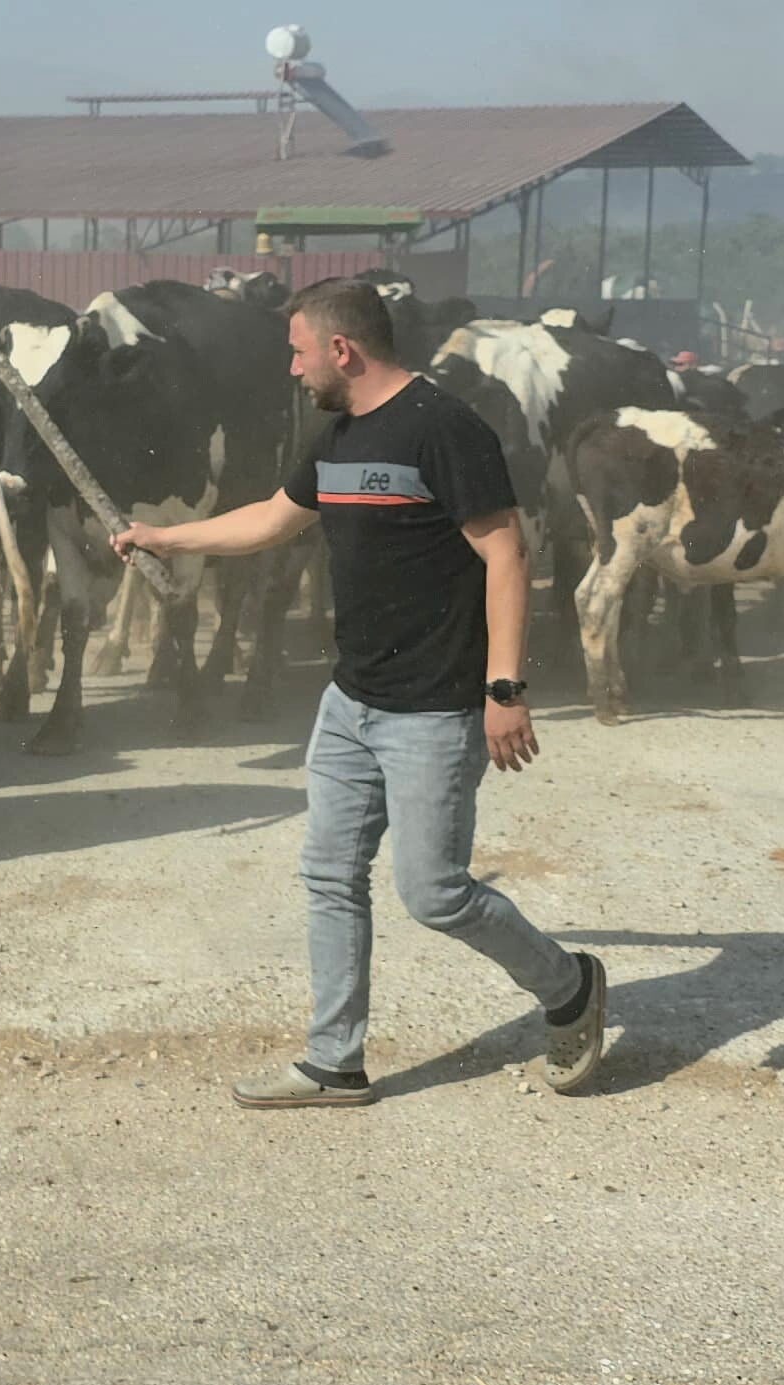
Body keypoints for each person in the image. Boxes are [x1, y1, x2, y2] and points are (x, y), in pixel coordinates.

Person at [109, 277, 607, 1105]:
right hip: (350, 704)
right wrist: (163, 534)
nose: (294, 369)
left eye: (300, 351)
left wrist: (505, 688)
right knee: (331, 874)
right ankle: (334, 1059)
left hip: (435, 709)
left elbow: (507, 555)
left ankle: (570, 989)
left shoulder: (446, 430)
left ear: (342, 348)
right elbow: (272, 518)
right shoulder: (336, 435)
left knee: (436, 894)